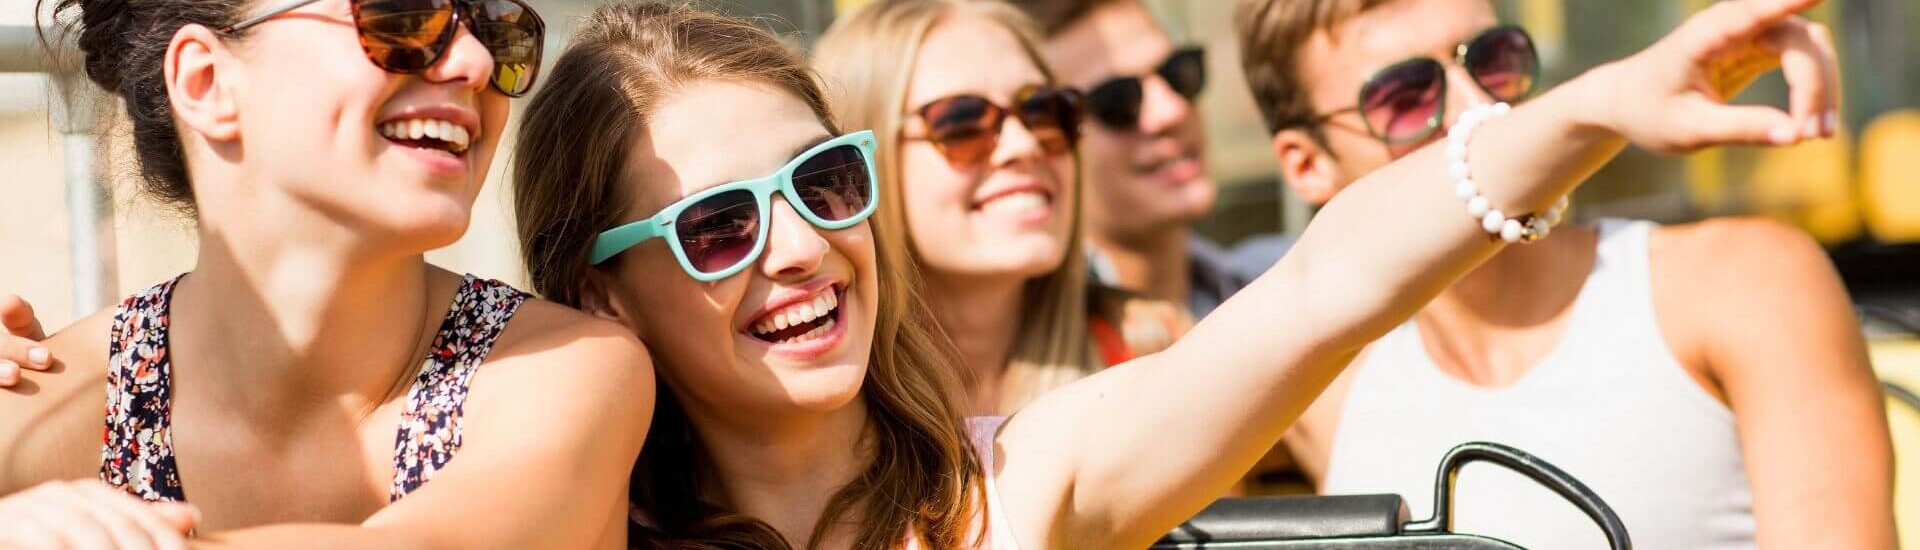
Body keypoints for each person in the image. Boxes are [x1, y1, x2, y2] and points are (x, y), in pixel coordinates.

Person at [502, 0, 1833, 547]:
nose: (800, 243)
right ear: (606, 290)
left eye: (824, 183)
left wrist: (1593, 106)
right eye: (720, 226)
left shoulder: (1012, 484)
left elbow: (1324, 287)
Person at [1233, 0, 1893, 547]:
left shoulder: (1740, 282)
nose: (1475, 108)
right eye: (1407, 97)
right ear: (1304, 165)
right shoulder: (1320, 390)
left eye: (1493, 59)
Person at [0, 0, 652, 547]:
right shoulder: (32, 406)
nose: (476, 62)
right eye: (402, 14)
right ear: (207, 84)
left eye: (495, 30)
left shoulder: (571, 370)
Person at [811, 0, 1187, 416]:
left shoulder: (1156, 352)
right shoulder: (820, 414)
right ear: (861, 168)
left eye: (1045, 111)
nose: (1024, 145)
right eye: (962, 123)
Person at [1008, 0, 1290, 318]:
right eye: (1118, 101)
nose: (1171, 111)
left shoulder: (1286, 279)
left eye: (1178, 74)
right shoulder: (1026, 350)